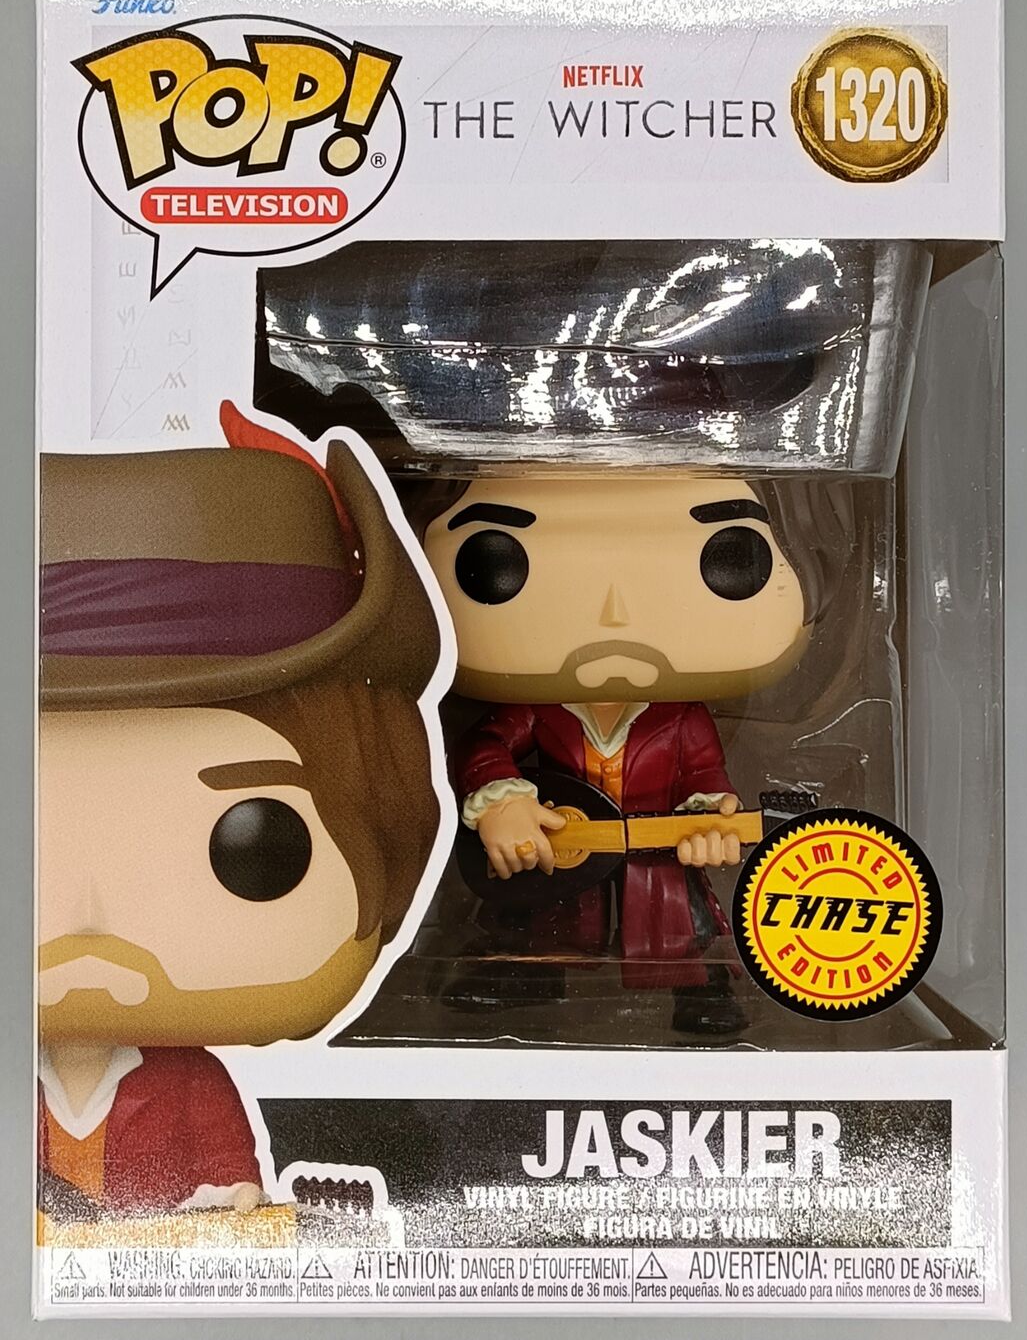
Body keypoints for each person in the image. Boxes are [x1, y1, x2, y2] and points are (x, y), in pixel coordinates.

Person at [37, 403, 441, 1216]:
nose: (89, 921)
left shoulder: (192, 1080)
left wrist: (230, 1202)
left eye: (252, 848)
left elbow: (231, 1182)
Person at [422, 474, 825, 1035]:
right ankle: (529, 971)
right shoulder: (537, 709)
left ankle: (697, 983)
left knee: (673, 915)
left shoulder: (680, 717)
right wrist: (502, 802)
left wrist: (710, 819)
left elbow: (705, 774)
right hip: (561, 848)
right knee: (548, 912)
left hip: (651, 852)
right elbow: (485, 745)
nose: (614, 614)